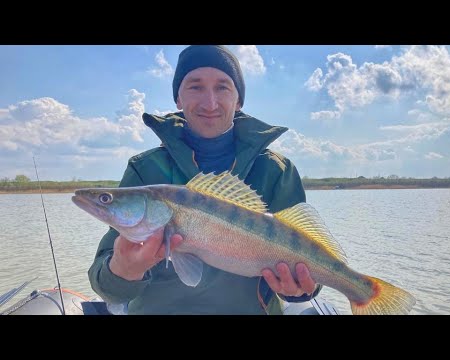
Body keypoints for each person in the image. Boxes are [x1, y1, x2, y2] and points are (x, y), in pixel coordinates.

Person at [88, 45, 321, 314]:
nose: (210, 103)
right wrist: (123, 271)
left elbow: (307, 278)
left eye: (222, 87)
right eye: (195, 87)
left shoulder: (275, 171)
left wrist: (302, 287)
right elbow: (105, 286)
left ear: (239, 100)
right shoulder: (145, 170)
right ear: (178, 98)